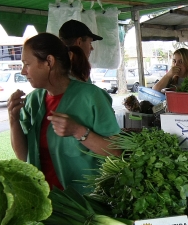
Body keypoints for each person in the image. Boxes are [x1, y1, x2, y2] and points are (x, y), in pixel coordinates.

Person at [8, 33, 120, 194]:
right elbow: (23, 156)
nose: (23, 71)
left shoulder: (91, 97)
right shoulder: (33, 101)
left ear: (49, 62)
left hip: (86, 203)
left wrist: (78, 131)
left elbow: (115, 151)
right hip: (45, 199)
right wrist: (13, 119)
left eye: (27, 64)